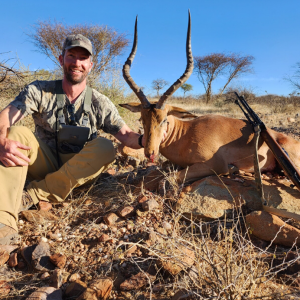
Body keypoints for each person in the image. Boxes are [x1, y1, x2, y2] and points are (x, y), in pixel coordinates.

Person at [0, 34, 144, 245]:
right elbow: (6, 116)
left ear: (91, 65)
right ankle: (4, 224)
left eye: (83, 58)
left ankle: (32, 194)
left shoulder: (99, 101)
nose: (77, 63)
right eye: (71, 56)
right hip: (45, 163)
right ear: (61, 59)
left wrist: (147, 139)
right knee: (15, 134)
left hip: (79, 172)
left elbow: (126, 136)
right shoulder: (39, 90)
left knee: (106, 146)